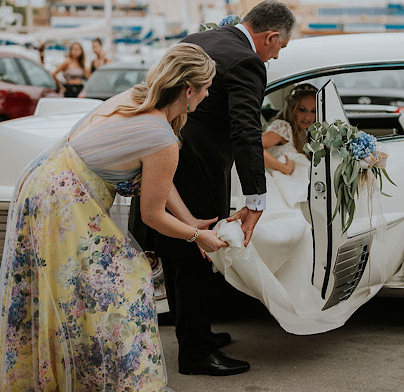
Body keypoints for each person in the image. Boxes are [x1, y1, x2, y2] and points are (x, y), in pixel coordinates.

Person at [0, 43, 225, 391]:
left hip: (45, 183)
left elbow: (156, 179)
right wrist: (196, 237)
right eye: (206, 89)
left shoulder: (138, 98)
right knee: (122, 284)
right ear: (189, 91)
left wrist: (190, 219)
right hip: (63, 203)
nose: (207, 95)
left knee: (61, 293)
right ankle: (116, 381)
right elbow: (152, 214)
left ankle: (71, 375)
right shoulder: (162, 137)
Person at [129, 0, 296, 377]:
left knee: (178, 257)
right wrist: (256, 199)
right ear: (270, 36)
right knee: (196, 259)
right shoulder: (247, 61)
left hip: (167, 163)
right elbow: (245, 132)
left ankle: (195, 334)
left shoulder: (201, 37)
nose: (273, 58)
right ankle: (195, 353)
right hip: (197, 171)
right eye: (279, 48)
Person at [263, 83, 316, 175]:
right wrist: (285, 168)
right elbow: (252, 146)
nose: (308, 117)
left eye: (313, 111)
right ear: (292, 109)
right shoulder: (283, 128)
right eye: (302, 110)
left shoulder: (304, 132)